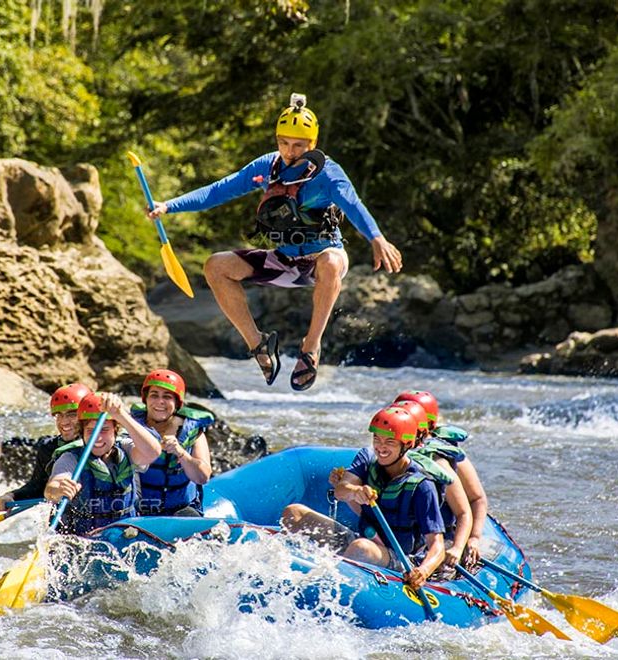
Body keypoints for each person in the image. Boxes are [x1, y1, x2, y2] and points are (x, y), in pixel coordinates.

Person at [147, 93, 403, 391]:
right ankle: (259, 345)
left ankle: (310, 347)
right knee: (216, 265)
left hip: (323, 259)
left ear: (313, 144)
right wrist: (168, 206)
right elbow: (218, 191)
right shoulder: (267, 167)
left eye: (298, 145)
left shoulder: (329, 174)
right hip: (283, 261)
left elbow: (354, 205)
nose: (290, 151)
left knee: (331, 262)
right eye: (284, 143)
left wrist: (376, 237)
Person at [282, 407, 445, 591]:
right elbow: (341, 491)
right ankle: (293, 572)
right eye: (377, 439)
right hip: (363, 539)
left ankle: (326, 587)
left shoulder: (423, 486)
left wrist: (423, 571)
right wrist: (355, 492)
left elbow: (437, 546)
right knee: (293, 513)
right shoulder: (367, 459)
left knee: (361, 548)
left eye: (389, 441)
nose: (381, 447)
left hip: (399, 557)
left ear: (406, 445)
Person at [42, 392, 163, 535]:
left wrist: (121, 415)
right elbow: (52, 487)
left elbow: (152, 452)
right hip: (85, 539)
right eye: (90, 431)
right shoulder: (70, 458)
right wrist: (58, 490)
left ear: (115, 431)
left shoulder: (126, 449)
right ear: (82, 433)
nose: (97, 438)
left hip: (126, 534)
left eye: (104, 430)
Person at [395, 390, 489, 566]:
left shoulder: (441, 458)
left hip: (440, 533)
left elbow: (477, 499)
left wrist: (472, 539)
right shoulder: (389, 455)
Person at [0, 382, 91, 510]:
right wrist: (11, 496)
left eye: (72, 414)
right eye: (59, 415)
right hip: (68, 520)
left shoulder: (103, 445)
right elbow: (37, 487)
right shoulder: (49, 448)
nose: (63, 422)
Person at [129, 369, 214, 516]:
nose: (160, 402)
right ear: (146, 399)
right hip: (139, 511)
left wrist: (181, 453)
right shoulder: (131, 428)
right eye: (154, 395)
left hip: (181, 511)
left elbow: (203, 477)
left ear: (176, 403)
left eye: (167, 397)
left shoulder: (194, 433)